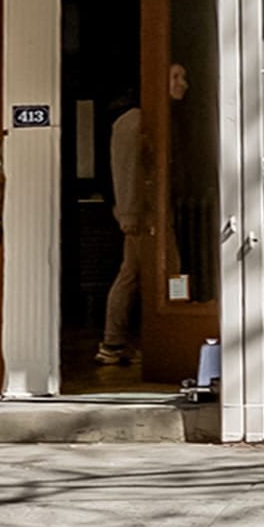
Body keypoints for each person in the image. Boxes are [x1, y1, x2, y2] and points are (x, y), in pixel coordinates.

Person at [94, 98, 146, 371]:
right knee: (141, 275)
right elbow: (126, 171)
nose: (183, 84)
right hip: (144, 214)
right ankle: (113, 343)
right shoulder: (134, 122)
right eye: (175, 77)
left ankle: (113, 343)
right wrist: (128, 213)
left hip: (143, 212)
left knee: (131, 273)